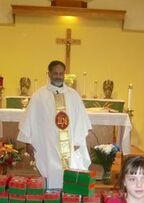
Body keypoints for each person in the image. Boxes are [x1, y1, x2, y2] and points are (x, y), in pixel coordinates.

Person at [17, 60, 92, 188]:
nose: (58, 76)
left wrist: (78, 140)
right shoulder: (39, 95)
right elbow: (30, 119)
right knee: (50, 171)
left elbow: (81, 120)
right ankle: (51, 194)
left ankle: (69, 196)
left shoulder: (73, 95)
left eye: (61, 73)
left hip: (69, 144)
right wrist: (28, 142)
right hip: (47, 143)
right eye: (55, 73)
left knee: (70, 170)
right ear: (49, 74)